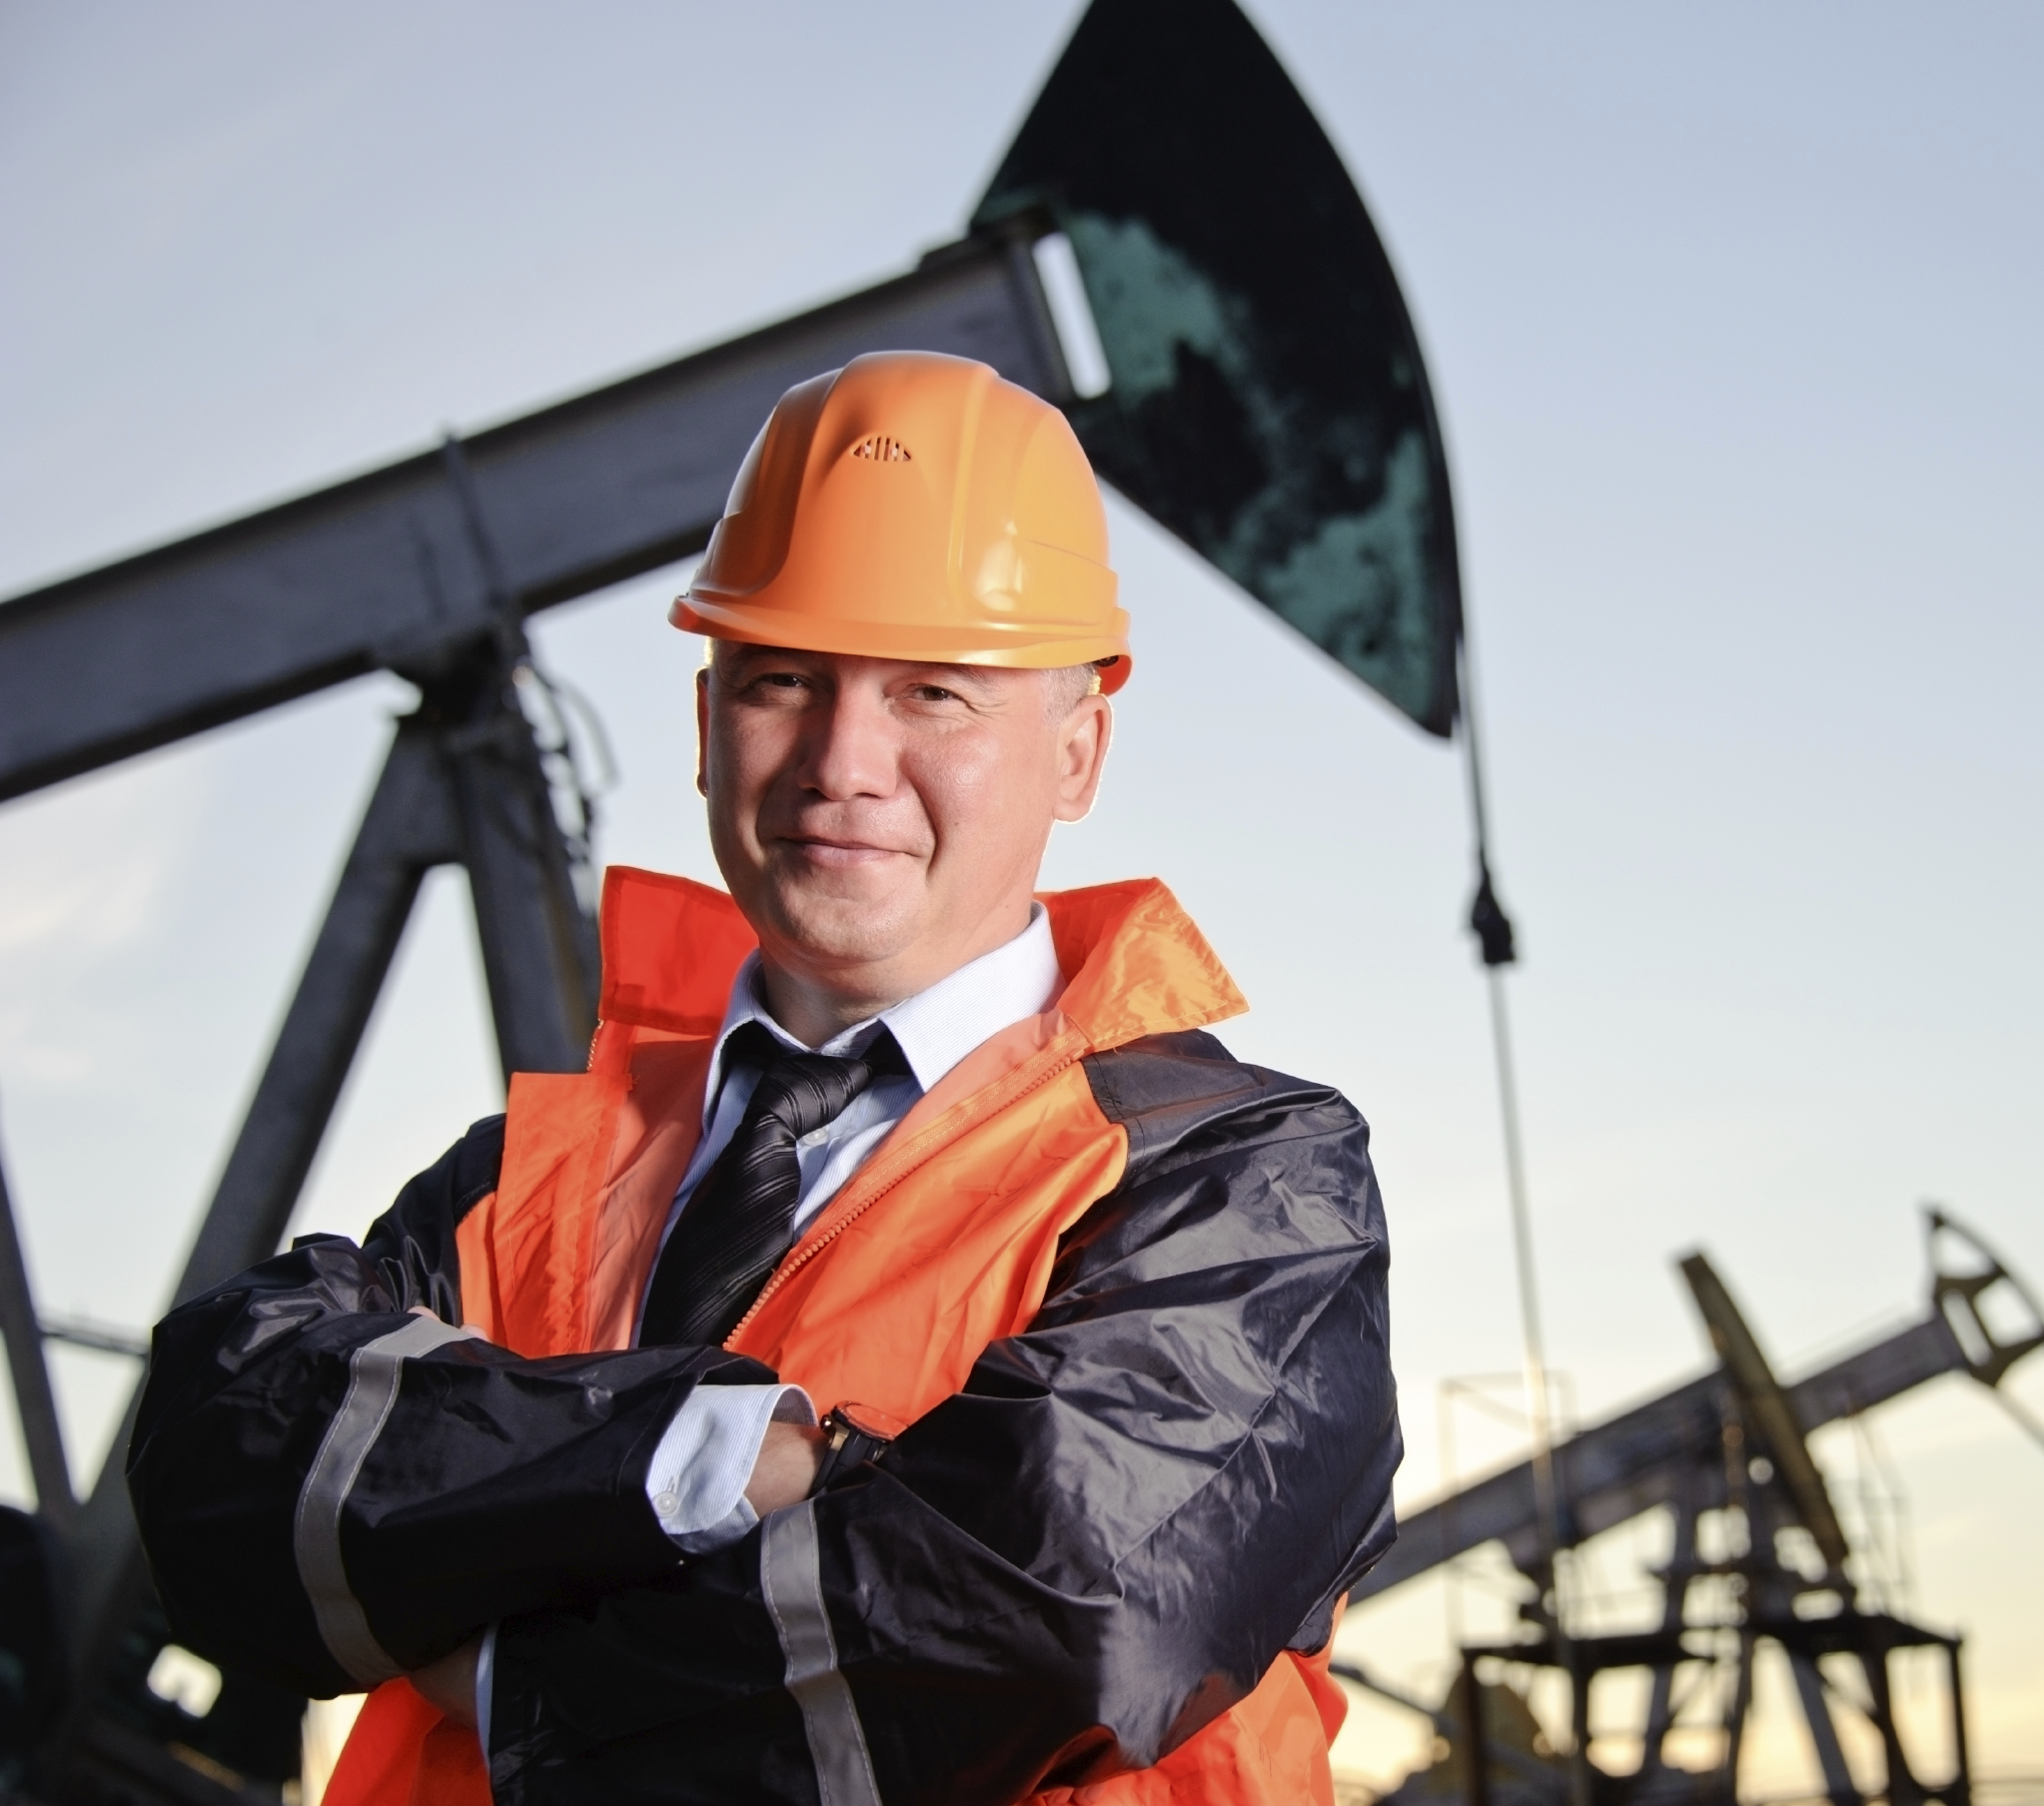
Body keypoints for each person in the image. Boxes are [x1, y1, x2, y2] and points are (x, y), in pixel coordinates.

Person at [128, 352, 1402, 1806]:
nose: (840, 763)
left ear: (1076, 753)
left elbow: (1066, 1615)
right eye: (782, 682)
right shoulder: (538, 1169)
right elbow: (219, 1466)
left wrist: (498, 1663)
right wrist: (715, 1457)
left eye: (933, 693)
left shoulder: (1241, 1179)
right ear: (701, 722)